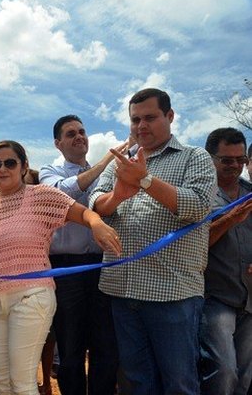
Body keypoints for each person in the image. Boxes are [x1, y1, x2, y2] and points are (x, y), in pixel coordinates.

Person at [0, 140, 121, 395]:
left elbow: (82, 213)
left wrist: (96, 224)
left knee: (23, 382)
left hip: (31, 297)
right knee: (2, 384)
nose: (2, 169)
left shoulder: (41, 196)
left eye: (9, 162)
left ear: (24, 166)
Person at [90, 88, 216, 394]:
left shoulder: (194, 157)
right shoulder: (120, 161)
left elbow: (198, 205)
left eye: (150, 117)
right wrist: (119, 194)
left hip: (172, 293)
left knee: (179, 381)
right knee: (136, 380)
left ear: (170, 117)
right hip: (121, 290)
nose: (140, 126)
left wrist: (145, 181)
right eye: (135, 119)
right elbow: (96, 203)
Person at [39, 115, 123, 395]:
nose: (79, 137)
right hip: (66, 271)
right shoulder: (49, 171)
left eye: (82, 131)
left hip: (102, 266)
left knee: (105, 346)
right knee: (71, 349)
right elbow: (60, 194)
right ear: (58, 143)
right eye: (71, 133)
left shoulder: (107, 173)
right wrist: (103, 165)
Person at [200, 127, 252, 395]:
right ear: (210, 159)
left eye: (240, 160)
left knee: (245, 376)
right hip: (216, 296)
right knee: (223, 370)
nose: (235, 166)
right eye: (227, 160)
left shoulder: (250, 192)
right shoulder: (199, 195)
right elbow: (193, 245)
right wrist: (229, 219)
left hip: (250, 298)